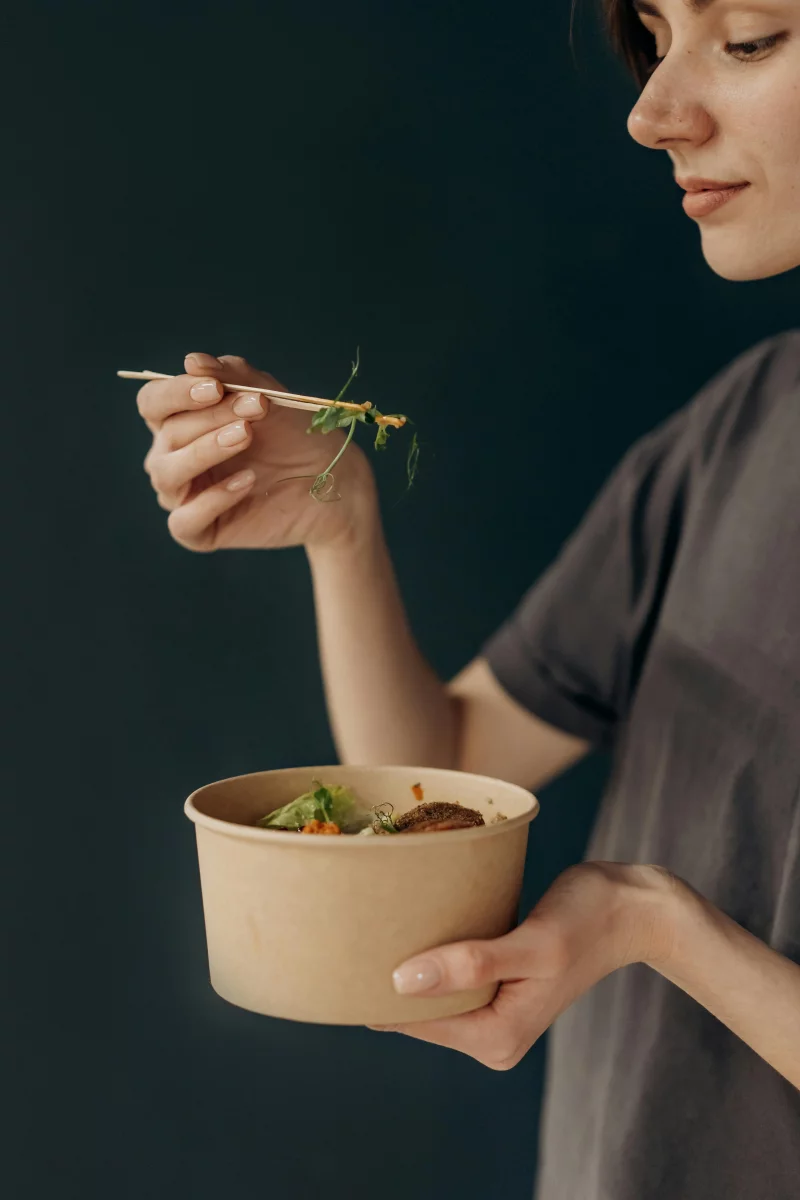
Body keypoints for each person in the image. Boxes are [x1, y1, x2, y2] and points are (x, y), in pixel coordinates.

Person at [136, 0, 800, 1196]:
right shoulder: (728, 440)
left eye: (749, 38)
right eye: (652, 40)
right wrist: (340, 530)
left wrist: (654, 923)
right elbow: (441, 768)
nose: (650, 113)